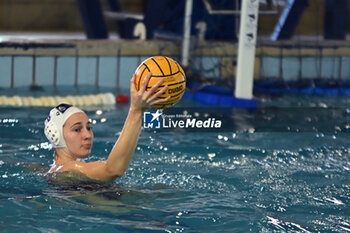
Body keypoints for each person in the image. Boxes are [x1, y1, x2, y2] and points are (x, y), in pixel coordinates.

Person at [44, 73, 169, 182]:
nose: (87, 135)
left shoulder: (60, 171)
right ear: (56, 135)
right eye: (77, 129)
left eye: (89, 128)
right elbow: (113, 170)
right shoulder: (67, 170)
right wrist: (136, 110)